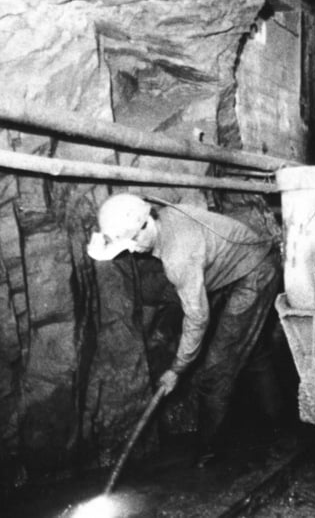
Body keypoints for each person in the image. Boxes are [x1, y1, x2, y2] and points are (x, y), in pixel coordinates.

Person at [87, 193, 281, 464]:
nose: (130, 250)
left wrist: (177, 369)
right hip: (239, 266)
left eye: (131, 240)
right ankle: (279, 430)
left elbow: (198, 317)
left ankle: (206, 453)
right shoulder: (164, 217)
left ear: (145, 224)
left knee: (216, 370)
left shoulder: (178, 256)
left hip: (255, 272)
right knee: (253, 353)